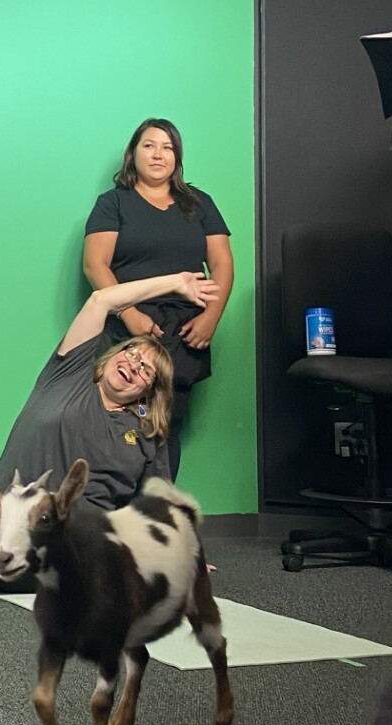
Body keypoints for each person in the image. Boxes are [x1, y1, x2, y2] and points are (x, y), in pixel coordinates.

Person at [0, 271, 218, 593]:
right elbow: (101, 300)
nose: (134, 365)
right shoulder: (68, 376)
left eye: (146, 370)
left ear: (149, 391)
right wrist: (175, 284)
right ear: (112, 355)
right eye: (131, 353)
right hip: (14, 534)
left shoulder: (146, 431)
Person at [83, 118, 234, 479]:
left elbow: (222, 263)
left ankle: (157, 519)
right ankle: (108, 516)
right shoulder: (112, 203)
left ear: (177, 158)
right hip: (127, 326)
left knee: (167, 425)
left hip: (185, 329)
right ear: (133, 154)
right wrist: (129, 314)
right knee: (114, 422)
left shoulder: (200, 204)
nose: (158, 154)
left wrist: (211, 317)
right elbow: (95, 265)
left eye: (167, 147)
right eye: (149, 145)